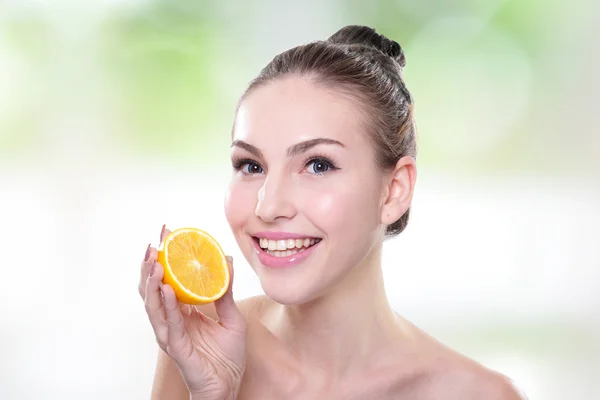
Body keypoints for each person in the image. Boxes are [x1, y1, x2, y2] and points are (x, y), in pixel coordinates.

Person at [138, 25, 526, 399]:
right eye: (251, 166)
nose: (269, 206)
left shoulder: (479, 395)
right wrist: (211, 395)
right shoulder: (198, 341)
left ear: (394, 190)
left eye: (318, 165)